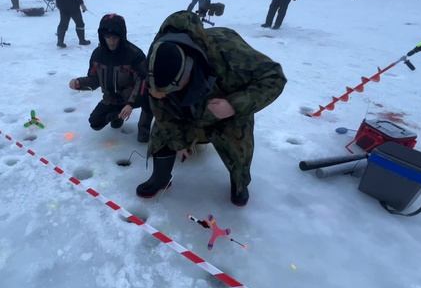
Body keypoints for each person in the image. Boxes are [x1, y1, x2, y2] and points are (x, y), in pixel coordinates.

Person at [138, 11, 286, 206]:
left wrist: (233, 105)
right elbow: (162, 110)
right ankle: (160, 178)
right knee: (162, 131)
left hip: (224, 112)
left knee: (238, 144)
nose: (162, 95)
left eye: (167, 90)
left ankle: (239, 183)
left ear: (186, 74)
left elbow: (274, 77)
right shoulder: (156, 57)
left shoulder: (227, 49)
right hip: (184, 112)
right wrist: (180, 142)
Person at [68, 14, 152, 140]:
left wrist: (130, 103)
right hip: (111, 97)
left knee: (149, 99)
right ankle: (117, 115)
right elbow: (94, 79)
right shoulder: (97, 54)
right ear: (103, 36)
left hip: (134, 96)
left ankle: (144, 130)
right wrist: (79, 83)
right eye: (108, 37)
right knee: (95, 123)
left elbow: (143, 80)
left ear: (121, 36)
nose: (111, 41)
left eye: (115, 37)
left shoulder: (135, 54)